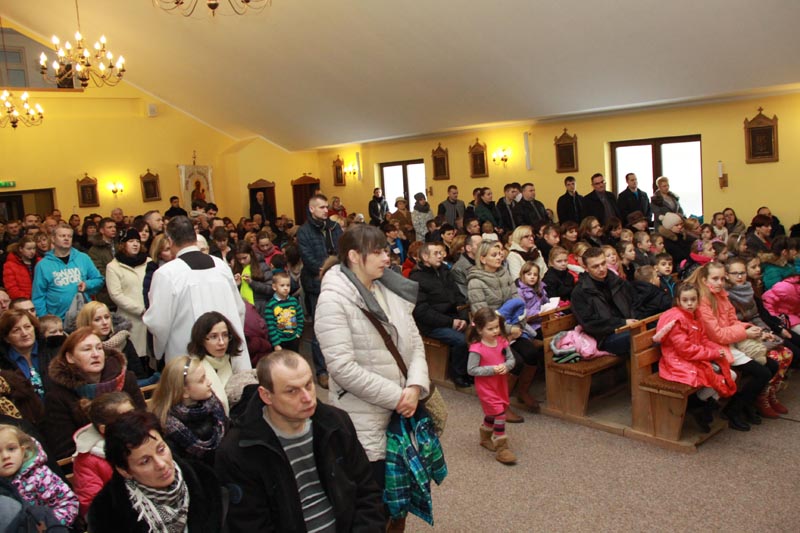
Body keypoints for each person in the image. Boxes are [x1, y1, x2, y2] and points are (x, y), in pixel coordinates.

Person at [314, 224, 429, 512]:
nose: (386, 258)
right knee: (372, 500)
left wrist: (415, 386)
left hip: (403, 405)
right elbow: (341, 367)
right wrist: (399, 396)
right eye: (377, 252)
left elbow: (415, 342)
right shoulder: (333, 299)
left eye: (385, 251)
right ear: (354, 256)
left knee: (401, 494)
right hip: (363, 415)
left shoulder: (388, 289)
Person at [215, 351, 384, 532]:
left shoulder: (336, 423)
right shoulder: (238, 451)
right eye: (292, 391)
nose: (307, 398)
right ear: (266, 395)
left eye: (308, 385)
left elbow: (367, 492)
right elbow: (250, 525)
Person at [88, 411, 225, 533]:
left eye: (161, 449)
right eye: (145, 461)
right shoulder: (106, 514)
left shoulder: (205, 480)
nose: (161, 464)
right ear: (124, 471)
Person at [143, 216, 251, 366]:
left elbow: (158, 323)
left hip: (187, 358)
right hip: (225, 351)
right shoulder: (221, 266)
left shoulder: (166, 273)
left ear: (170, 241)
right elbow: (239, 309)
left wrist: (158, 351)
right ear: (195, 237)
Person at [691, 262, 777, 431]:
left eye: (722, 279)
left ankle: (745, 404)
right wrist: (745, 333)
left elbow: (732, 321)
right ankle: (733, 410)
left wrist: (752, 329)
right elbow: (717, 335)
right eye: (715, 279)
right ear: (704, 280)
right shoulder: (702, 302)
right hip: (716, 348)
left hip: (729, 342)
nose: (719, 282)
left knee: (771, 365)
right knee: (762, 373)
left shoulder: (721, 295)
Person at [43, 327, 146, 458]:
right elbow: (66, 450)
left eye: (99, 348)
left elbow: (143, 419)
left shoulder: (126, 379)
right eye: (87, 349)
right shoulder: (58, 396)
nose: (95, 354)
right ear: (70, 357)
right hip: (91, 461)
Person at [467, 240, 542, 418]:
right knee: (514, 361)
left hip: (512, 327)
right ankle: (501, 404)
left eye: (500, 254)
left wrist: (517, 327)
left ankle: (522, 392)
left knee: (532, 353)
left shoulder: (504, 273)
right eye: (494, 255)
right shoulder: (475, 282)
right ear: (483, 259)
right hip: (489, 332)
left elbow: (518, 302)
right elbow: (482, 316)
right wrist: (508, 330)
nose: (499, 257)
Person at [653, 283, 737, 433]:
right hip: (677, 362)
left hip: (693, 358)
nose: (690, 303)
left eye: (693, 299)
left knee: (730, 375)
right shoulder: (677, 321)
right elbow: (685, 350)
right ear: (678, 301)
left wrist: (717, 350)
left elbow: (702, 339)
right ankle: (698, 406)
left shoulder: (695, 316)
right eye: (685, 300)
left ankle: (701, 406)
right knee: (716, 380)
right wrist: (712, 354)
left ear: (698, 300)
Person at [296, 194, 344, 388]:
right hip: (316, 284)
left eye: (326, 207)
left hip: (338, 281)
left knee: (340, 325)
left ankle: (340, 368)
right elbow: (308, 259)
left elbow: (343, 251)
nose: (326, 210)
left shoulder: (334, 227)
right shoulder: (304, 232)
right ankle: (322, 371)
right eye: (322, 207)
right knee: (320, 328)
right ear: (312, 209)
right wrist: (328, 270)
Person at [410, 242, 470, 388]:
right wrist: (451, 322)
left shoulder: (444, 271)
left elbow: (459, 297)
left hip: (452, 317)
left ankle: (470, 370)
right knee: (461, 340)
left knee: (478, 333)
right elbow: (422, 312)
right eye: (436, 253)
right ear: (425, 257)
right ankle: (458, 374)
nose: (441, 256)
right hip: (431, 324)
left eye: (441, 253)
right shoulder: (416, 278)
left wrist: (462, 318)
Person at [149, 356, 227, 466]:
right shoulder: (169, 430)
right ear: (184, 392)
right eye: (202, 380)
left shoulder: (214, 406)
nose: (209, 382)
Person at [0, 424, 78, 526]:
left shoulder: (40, 476)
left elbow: (68, 503)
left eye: (11, 449)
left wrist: (51, 527)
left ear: (22, 451)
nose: (5, 456)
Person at [72, 391, 135, 517]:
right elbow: (93, 507)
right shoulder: (87, 460)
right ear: (104, 429)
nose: (136, 421)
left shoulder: (147, 438)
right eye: (127, 419)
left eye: (135, 414)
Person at [466, 308, 517, 464]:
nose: (495, 331)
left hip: (500, 384)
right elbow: (471, 370)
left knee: (493, 412)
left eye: (497, 327)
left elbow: (511, 360)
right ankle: (502, 448)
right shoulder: (477, 349)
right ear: (479, 330)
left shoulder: (502, 342)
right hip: (486, 387)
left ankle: (485, 437)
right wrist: (492, 369)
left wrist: (506, 366)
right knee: (500, 414)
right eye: (490, 329)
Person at [571, 247, 638, 357]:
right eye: (595, 266)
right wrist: (622, 323)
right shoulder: (580, 292)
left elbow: (634, 301)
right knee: (638, 337)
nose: (601, 269)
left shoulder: (616, 281)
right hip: (605, 338)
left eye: (603, 263)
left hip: (629, 326)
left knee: (654, 328)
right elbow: (590, 324)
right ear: (586, 268)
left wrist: (635, 319)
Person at [31, 223, 104, 320]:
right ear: (53, 239)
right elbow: (38, 297)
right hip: (58, 319)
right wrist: (44, 320)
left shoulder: (83, 258)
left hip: (83, 316)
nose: (66, 238)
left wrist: (87, 284)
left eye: (69, 236)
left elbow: (99, 280)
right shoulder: (43, 265)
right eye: (62, 236)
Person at [186, 311, 248, 415]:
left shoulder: (230, 362)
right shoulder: (192, 368)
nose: (222, 342)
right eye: (214, 337)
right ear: (201, 339)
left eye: (225, 335)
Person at [76, 302, 149, 383]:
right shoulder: (79, 347)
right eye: (97, 319)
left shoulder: (123, 341)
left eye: (107, 317)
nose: (104, 322)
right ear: (87, 323)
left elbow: (139, 375)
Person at [104, 228, 150, 357]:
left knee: (152, 355)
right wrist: (140, 310)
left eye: (137, 241)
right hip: (130, 318)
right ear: (123, 244)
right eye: (131, 241)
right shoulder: (113, 266)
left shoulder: (149, 262)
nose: (135, 244)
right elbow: (116, 294)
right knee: (135, 355)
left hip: (151, 316)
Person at [0, 309, 61, 402]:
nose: (24, 333)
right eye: (16, 330)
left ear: (34, 328)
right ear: (6, 338)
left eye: (27, 327)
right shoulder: (3, 364)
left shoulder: (54, 350)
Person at [263, 271, 304, 352]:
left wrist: (298, 332)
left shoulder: (294, 301)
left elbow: (300, 317)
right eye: (282, 285)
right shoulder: (271, 305)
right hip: (280, 340)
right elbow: (270, 326)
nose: (286, 288)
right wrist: (276, 343)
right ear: (274, 287)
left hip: (294, 338)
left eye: (288, 285)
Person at [451, 233, 481, 299]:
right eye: (479, 245)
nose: (483, 248)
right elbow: (466, 294)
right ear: (468, 248)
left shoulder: (485, 261)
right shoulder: (458, 269)